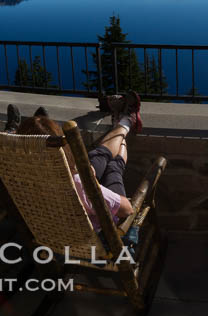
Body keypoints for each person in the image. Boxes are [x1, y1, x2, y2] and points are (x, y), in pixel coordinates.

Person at [9, 92, 141, 231]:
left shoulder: (17, 177)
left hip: (50, 230)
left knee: (96, 156)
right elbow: (127, 209)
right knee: (113, 167)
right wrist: (92, 183)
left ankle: (121, 122)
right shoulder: (76, 183)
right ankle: (125, 121)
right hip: (99, 233)